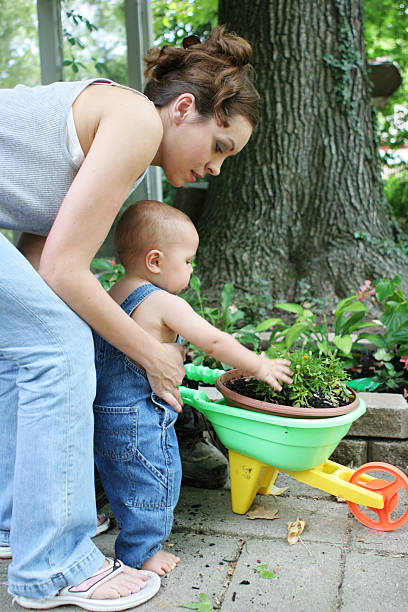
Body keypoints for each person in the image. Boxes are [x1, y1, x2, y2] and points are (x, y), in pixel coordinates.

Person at [0, 24, 263, 611]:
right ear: (185, 109)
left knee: (31, 350)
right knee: (56, 348)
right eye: (219, 147)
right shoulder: (138, 120)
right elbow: (66, 272)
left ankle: (17, 525)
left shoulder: (112, 137)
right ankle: (55, 566)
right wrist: (154, 355)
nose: (216, 169)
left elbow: (46, 266)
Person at [93, 200, 293, 576]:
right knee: (157, 481)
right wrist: (259, 364)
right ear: (155, 261)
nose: (191, 269)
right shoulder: (162, 301)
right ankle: (141, 553)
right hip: (140, 416)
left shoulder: (112, 294)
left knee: (119, 476)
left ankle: (102, 521)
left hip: (102, 411)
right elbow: (214, 342)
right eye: (187, 261)